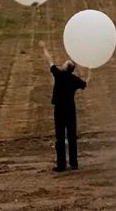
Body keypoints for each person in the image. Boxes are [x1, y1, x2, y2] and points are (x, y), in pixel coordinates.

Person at [38, 40, 91, 172]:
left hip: (60, 110)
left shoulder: (59, 74)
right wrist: (90, 70)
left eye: (65, 63)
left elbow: (49, 60)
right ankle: (74, 163)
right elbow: (86, 83)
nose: (62, 63)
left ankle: (61, 165)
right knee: (72, 136)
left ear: (66, 68)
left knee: (60, 137)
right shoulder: (73, 80)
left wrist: (44, 47)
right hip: (70, 110)